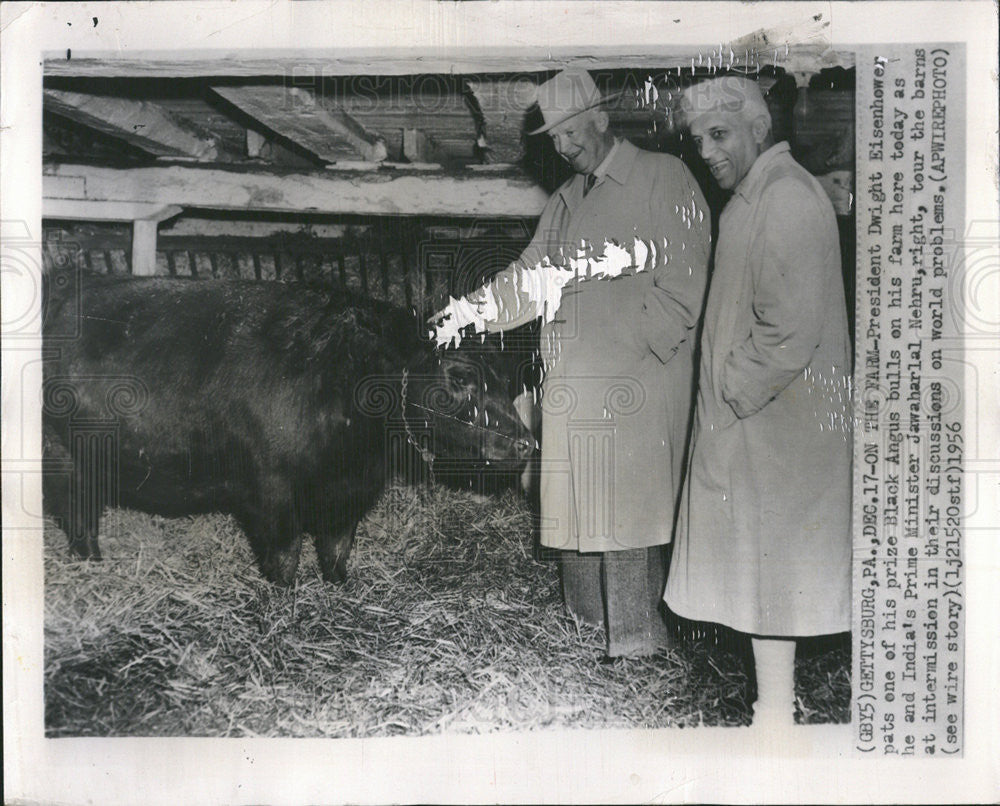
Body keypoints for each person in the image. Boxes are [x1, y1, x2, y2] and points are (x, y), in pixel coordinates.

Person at [439, 70, 710, 657]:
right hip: (570, 385)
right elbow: (529, 281)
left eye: (569, 131)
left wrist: (628, 351)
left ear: (602, 118)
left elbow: (686, 283)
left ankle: (638, 648)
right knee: (575, 510)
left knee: (623, 518)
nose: (562, 147)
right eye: (553, 138)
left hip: (632, 386)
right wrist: (469, 312)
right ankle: (583, 636)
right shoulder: (564, 201)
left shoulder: (662, 178)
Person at [664, 76, 852, 724]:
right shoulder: (757, 196)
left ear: (757, 128)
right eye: (698, 139)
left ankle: (775, 714)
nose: (708, 151)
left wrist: (728, 388)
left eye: (719, 135)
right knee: (766, 577)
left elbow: (790, 331)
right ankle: (774, 705)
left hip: (779, 428)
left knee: (774, 574)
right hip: (762, 426)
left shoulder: (788, 199)